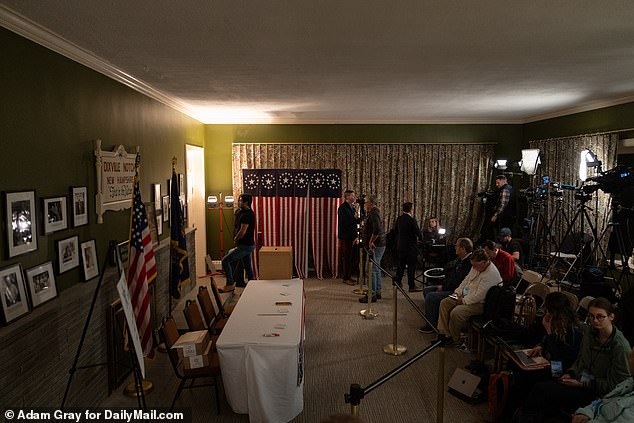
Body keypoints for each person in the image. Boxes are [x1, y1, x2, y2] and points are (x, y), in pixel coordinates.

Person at [517, 297, 631, 422]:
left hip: (595, 392)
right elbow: (580, 360)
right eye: (591, 316)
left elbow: (617, 387)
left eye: (600, 317)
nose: (595, 321)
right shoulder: (590, 333)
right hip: (578, 379)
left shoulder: (619, 346)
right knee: (528, 377)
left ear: (611, 317)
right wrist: (570, 373)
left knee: (539, 388)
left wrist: (581, 383)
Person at [437, 249, 502, 345]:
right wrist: (457, 293)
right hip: (466, 296)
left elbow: (479, 296)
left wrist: (463, 301)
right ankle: (444, 333)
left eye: (475, 265)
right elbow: (466, 280)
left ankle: (455, 338)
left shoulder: (491, 275)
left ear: (484, 262)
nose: (473, 268)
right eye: (472, 265)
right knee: (445, 302)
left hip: (480, 303)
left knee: (456, 312)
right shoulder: (476, 266)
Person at [419, 237, 473, 334]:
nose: (455, 248)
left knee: (431, 296)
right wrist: (443, 284)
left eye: (457, 246)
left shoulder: (468, 263)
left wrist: (443, 287)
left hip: (458, 292)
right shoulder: (461, 259)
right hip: (451, 286)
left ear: (463, 249)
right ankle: (434, 318)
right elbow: (451, 274)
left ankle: (431, 325)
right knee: (427, 290)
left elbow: (459, 282)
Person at [572, 345, 634, 423]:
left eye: (632, 356)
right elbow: (603, 401)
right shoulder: (629, 382)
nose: (629, 357)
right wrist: (586, 413)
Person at [220, 194, 256, 292]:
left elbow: (242, 231)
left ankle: (230, 284)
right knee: (248, 266)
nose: (238, 202)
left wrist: (235, 239)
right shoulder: (240, 212)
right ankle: (252, 284)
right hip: (244, 245)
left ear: (246, 202)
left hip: (245, 246)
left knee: (225, 261)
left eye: (240, 200)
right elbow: (236, 226)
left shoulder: (248, 215)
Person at [359, 195, 386, 303]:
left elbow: (377, 230)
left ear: (371, 203)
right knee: (376, 268)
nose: (364, 204)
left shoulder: (374, 213)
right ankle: (377, 291)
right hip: (379, 244)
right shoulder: (374, 212)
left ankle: (372, 294)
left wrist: (371, 241)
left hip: (376, 245)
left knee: (371, 270)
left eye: (365, 202)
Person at [393, 202, 423, 292]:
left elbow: (395, 231)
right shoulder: (412, 220)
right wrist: (422, 239)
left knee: (401, 265)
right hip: (410, 247)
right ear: (411, 209)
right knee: (411, 266)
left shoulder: (399, 219)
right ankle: (411, 286)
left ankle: (398, 282)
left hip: (401, 246)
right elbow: (417, 232)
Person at [338, 190, 359, 286]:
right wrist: (353, 217)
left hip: (352, 235)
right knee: (346, 257)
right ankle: (345, 277)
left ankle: (349, 275)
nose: (354, 197)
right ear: (347, 197)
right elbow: (344, 222)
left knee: (351, 257)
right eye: (352, 195)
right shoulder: (343, 208)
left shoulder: (352, 207)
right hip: (346, 236)